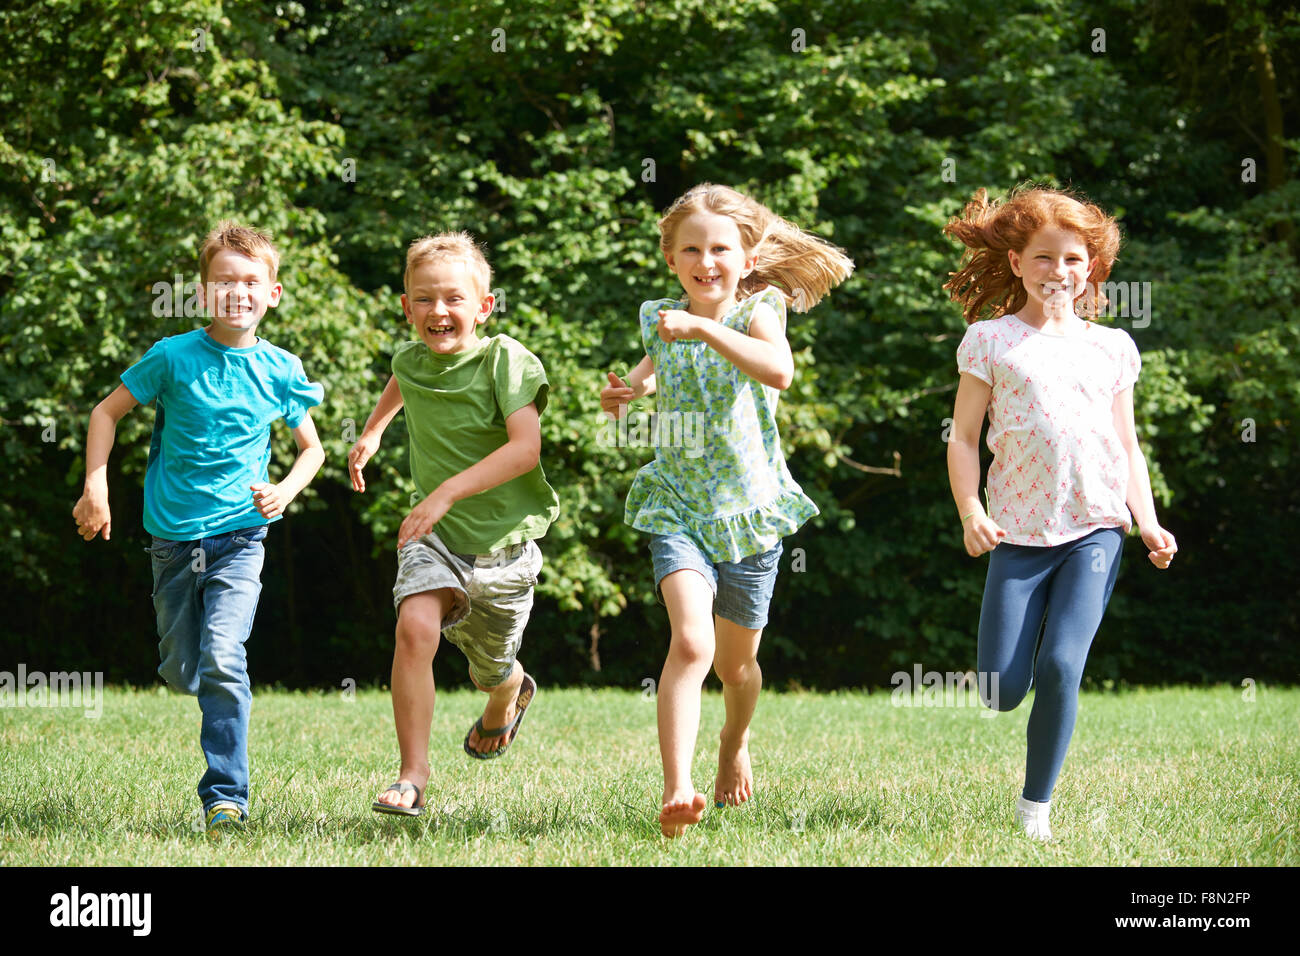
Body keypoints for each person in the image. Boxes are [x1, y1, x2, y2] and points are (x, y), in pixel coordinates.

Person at [600, 184, 853, 836]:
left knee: (734, 667)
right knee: (691, 642)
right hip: (678, 506)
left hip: (749, 515)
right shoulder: (663, 320)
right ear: (670, 257)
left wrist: (704, 328)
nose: (705, 261)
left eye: (720, 249)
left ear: (746, 259)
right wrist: (626, 392)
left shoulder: (757, 312)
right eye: (691, 249)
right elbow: (653, 369)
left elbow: (778, 371)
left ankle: (733, 741)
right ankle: (677, 790)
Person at [72, 221, 325, 832]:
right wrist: (95, 488)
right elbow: (105, 413)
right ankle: (196, 677)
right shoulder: (172, 356)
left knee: (223, 655)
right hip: (173, 540)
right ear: (204, 293)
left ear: (272, 294)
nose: (238, 292)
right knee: (184, 668)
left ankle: (226, 797)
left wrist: (285, 491)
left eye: (251, 282)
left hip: (241, 537)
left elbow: (312, 450)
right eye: (224, 282)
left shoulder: (281, 368)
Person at [943, 185, 1178, 840]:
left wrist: (1147, 520)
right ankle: (1008, 704)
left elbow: (1127, 445)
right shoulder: (990, 341)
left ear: (1091, 268)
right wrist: (970, 510)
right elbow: (963, 438)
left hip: (1095, 530)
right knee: (1000, 689)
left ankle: (1035, 810)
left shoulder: (1114, 348)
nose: (1059, 271)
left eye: (1074, 259)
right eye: (1044, 257)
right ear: (1017, 263)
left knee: (1061, 667)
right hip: (1017, 533)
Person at [350, 233, 559, 818]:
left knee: (490, 672)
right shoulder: (410, 359)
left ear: (484, 306)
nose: (437, 311)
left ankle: (507, 692)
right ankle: (412, 776)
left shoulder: (506, 361)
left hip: (504, 553)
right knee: (414, 630)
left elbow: (525, 450)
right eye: (423, 299)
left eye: (452, 299)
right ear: (406, 306)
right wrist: (373, 431)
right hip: (435, 540)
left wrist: (446, 492)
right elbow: (403, 379)